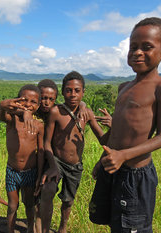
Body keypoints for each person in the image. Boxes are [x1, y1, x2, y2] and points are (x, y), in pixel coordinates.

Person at [89, 17, 161, 233]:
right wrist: (103, 161)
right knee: (114, 223)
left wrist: (124, 156)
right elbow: (116, 133)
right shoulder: (123, 87)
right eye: (133, 47)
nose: (137, 52)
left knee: (133, 227)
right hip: (113, 167)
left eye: (147, 47)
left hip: (135, 175)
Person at [40, 71, 109, 233]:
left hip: (75, 165)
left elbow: (103, 140)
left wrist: (111, 127)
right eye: (68, 90)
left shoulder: (88, 113)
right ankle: (44, 229)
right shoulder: (56, 112)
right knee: (48, 191)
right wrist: (52, 166)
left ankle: (62, 229)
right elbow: (47, 142)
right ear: (62, 92)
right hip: (56, 161)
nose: (72, 94)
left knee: (68, 201)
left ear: (83, 92)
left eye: (77, 90)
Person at [0, 84, 44, 233]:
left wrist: (39, 175)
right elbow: (2, 113)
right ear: (17, 101)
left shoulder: (39, 126)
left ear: (38, 106)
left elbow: (42, 152)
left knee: (29, 205)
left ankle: (30, 229)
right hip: (12, 172)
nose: (29, 105)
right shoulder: (12, 120)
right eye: (25, 100)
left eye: (33, 102)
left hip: (30, 172)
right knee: (12, 206)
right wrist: (2, 104)